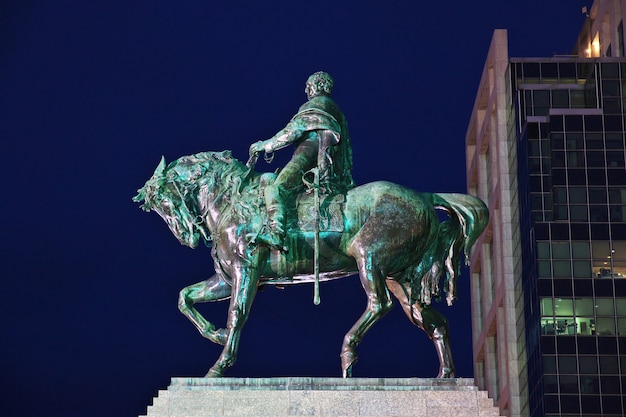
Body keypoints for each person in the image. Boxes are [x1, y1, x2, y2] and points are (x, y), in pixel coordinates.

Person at [249, 71, 354, 250]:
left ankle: (276, 232)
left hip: (307, 156)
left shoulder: (315, 104)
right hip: (325, 166)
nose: (307, 90)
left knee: (275, 188)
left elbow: (293, 131)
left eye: (309, 85)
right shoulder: (338, 111)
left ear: (319, 85)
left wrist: (265, 145)